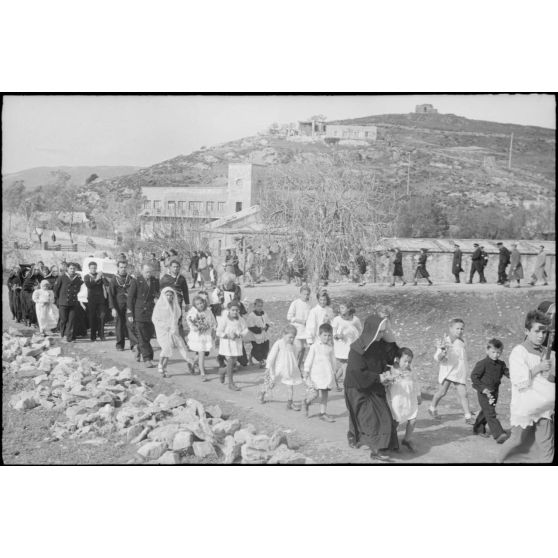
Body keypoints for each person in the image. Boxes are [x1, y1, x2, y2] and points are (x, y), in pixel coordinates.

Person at [498, 310, 555, 463]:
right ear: (527, 331)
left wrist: (551, 370)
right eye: (537, 331)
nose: (541, 335)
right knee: (516, 441)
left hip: (545, 408)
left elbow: (550, 379)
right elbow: (519, 381)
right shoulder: (519, 352)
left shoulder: (547, 352)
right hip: (526, 406)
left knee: (546, 446)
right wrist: (539, 367)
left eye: (544, 331)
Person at [344, 313, 400, 461]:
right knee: (369, 418)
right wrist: (379, 377)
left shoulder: (380, 345)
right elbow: (356, 372)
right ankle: (375, 450)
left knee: (382, 416)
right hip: (357, 387)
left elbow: (393, 357)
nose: (382, 334)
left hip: (374, 386)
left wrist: (390, 336)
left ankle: (380, 444)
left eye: (383, 331)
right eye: (380, 331)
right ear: (372, 331)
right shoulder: (357, 349)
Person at [428, 318, 474, 424]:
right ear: (450, 329)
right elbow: (437, 357)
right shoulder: (445, 342)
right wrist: (442, 353)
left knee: (463, 394)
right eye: (457, 328)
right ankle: (432, 407)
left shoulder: (462, 342)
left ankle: (468, 416)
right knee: (442, 392)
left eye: (462, 329)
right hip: (448, 371)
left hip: (459, 372)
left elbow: (463, 357)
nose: (460, 331)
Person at [471, 338, 510, 443]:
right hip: (484, 392)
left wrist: (519, 377)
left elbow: (508, 373)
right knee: (491, 413)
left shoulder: (501, 364)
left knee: (486, 411)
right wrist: (482, 388)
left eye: (498, 352)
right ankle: (499, 434)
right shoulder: (482, 363)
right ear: (487, 350)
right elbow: (474, 377)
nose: (496, 355)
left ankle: (477, 428)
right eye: (493, 352)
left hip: (495, 392)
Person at [383, 347, 421, 453]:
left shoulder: (411, 371)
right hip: (397, 401)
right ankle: (391, 441)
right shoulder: (391, 370)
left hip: (410, 399)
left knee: (412, 420)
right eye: (405, 361)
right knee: (395, 422)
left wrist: (418, 395)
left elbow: (416, 382)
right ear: (397, 359)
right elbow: (385, 383)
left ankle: (407, 439)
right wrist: (390, 379)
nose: (407, 364)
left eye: (409, 362)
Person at [151, 287, 194, 377]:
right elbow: (155, 319)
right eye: (167, 295)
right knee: (166, 348)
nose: (169, 297)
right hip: (163, 331)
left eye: (171, 295)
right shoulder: (159, 306)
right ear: (163, 295)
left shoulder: (175, 305)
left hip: (174, 330)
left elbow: (177, 316)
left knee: (180, 346)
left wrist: (174, 325)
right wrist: (165, 326)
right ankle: (161, 366)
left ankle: (189, 362)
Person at [258, 324, 303, 408]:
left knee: (290, 385)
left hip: (289, 370)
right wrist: (268, 367)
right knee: (271, 384)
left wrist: (295, 367)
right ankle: (262, 393)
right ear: (283, 335)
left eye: (293, 337)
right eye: (290, 337)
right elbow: (272, 356)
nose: (292, 339)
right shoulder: (279, 343)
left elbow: (294, 357)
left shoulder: (293, 346)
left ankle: (290, 403)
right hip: (278, 369)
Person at [302, 323, 337, 422]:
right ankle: (306, 402)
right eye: (324, 335)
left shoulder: (330, 347)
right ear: (319, 335)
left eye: (329, 335)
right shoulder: (314, 347)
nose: (327, 337)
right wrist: (306, 370)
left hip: (326, 374)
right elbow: (309, 359)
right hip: (317, 375)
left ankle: (323, 413)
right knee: (315, 394)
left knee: (325, 394)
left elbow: (333, 360)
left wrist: (334, 370)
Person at [127, 264, 160, 368]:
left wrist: (157, 299)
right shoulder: (136, 281)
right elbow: (130, 298)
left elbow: (157, 293)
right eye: (146, 272)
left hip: (151, 312)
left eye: (150, 272)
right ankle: (147, 358)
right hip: (139, 311)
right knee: (142, 336)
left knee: (148, 335)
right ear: (142, 271)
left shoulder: (154, 281)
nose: (149, 274)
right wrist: (130, 313)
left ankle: (138, 348)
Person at [216, 301, 248, 391]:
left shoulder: (240, 319)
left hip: (236, 342)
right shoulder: (224, 319)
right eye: (233, 310)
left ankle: (222, 371)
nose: (235, 312)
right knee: (230, 360)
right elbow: (218, 331)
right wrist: (226, 335)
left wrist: (240, 334)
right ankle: (231, 383)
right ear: (228, 310)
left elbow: (245, 329)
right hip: (227, 343)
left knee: (233, 361)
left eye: (237, 310)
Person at [108, 260, 138, 352]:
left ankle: (134, 345)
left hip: (129, 305)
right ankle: (120, 345)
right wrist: (113, 308)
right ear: (118, 268)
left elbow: (135, 293)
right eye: (121, 267)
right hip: (118, 306)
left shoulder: (131, 279)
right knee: (119, 325)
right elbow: (111, 295)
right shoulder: (113, 280)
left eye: (125, 267)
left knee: (131, 324)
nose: (123, 269)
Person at [331, 303, 362, 391]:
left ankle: (334, 381)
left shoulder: (355, 319)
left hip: (352, 344)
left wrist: (357, 339)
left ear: (349, 309)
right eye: (340, 307)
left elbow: (359, 330)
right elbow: (333, 332)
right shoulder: (337, 319)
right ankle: (347, 387)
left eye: (343, 307)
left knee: (346, 365)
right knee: (346, 365)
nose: (340, 309)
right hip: (341, 345)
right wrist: (337, 336)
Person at [186, 295, 217, 381]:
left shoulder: (208, 311)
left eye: (201, 303)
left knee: (201, 353)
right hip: (198, 336)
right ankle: (202, 372)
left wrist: (213, 328)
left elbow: (213, 321)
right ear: (195, 305)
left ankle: (192, 363)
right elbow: (189, 321)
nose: (200, 305)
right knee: (202, 353)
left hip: (206, 334)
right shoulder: (193, 312)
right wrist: (195, 327)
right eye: (198, 304)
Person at [160, 259, 190, 338]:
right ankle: (169, 340)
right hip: (168, 302)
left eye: (177, 267)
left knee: (178, 320)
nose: (175, 268)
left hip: (178, 302)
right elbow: (160, 290)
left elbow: (185, 291)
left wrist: (187, 303)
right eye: (174, 267)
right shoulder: (165, 278)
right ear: (170, 268)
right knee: (168, 321)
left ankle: (181, 340)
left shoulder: (181, 278)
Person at [53, 263, 83, 343]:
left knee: (71, 320)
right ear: (67, 269)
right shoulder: (62, 277)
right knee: (63, 320)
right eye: (71, 268)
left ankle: (69, 337)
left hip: (73, 303)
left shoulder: (78, 279)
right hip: (63, 303)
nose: (72, 270)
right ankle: (63, 335)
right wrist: (58, 301)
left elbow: (79, 290)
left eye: (74, 269)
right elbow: (56, 290)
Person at [287, 286, 312, 370]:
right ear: (300, 294)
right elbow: (289, 316)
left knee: (304, 349)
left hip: (306, 330)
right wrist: (300, 321)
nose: (306, 296)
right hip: (297, 330)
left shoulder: (309, 304)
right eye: (304, 294)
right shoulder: (295, 303)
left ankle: (298, 367)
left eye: (308, 294)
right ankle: (292, 366)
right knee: (298, 348)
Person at [84, 261, 109, 342]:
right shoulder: (87, 276)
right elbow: (89, 285)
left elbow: (107, 284)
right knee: (92, 318)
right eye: (92, 268)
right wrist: (97, 278)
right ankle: (93, 336)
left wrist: (103, 277)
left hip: (101, 300)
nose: (93, 269)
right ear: (89, 268)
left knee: (102, 317)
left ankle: (101, 335)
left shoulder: (100, 275)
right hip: (91, 300)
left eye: (95, 268)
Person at [246, 299, 272, 367]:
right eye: (258, 306)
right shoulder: (252, 315)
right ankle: (261, 361)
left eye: (261, 306)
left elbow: (267, 322)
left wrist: (266, 326)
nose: (260, 308)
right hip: (256, 335)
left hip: (264, 335)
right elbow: (250, 326)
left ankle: (261, 358)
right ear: (254, 306)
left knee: (265, 348)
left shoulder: (264, 313)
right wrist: (259, 329)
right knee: (257, 349)